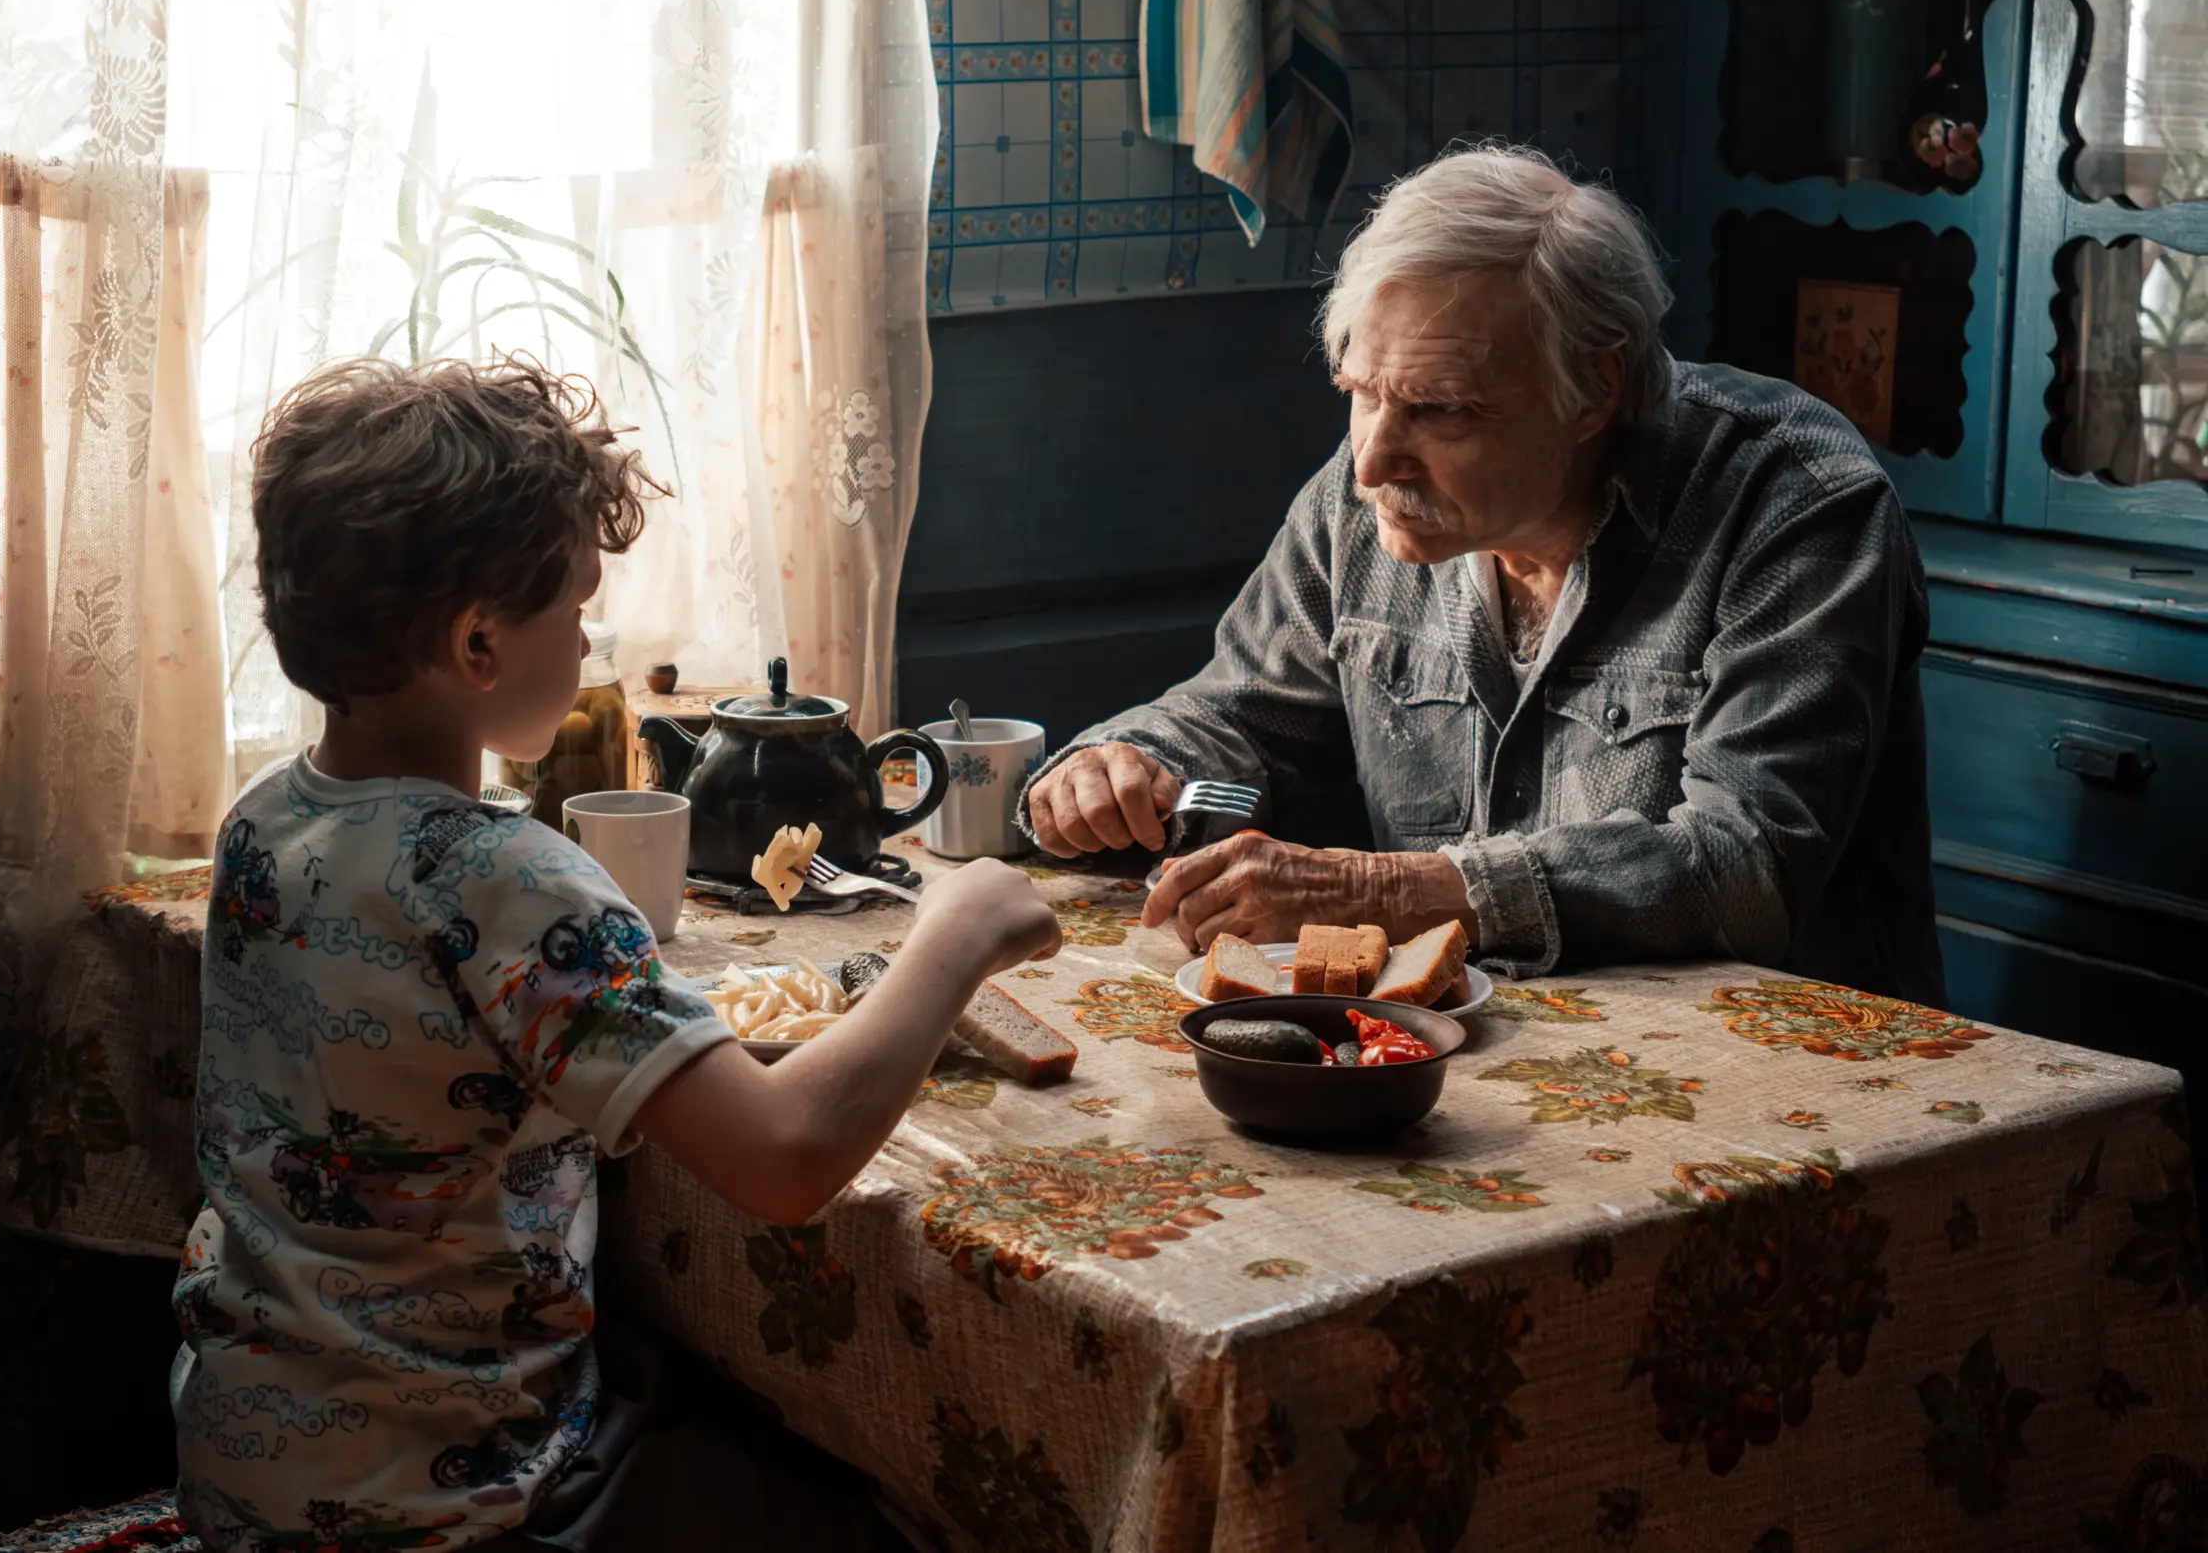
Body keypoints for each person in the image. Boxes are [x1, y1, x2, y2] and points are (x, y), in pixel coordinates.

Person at [172, 356, 1062, 1549]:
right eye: (576, 610)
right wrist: (953, 939)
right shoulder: (507, 876)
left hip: (246, 1473)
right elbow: (786, 1160)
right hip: (452, 1505)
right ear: (478, 644)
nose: (590, 641)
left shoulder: (261, 822)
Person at [1021, 144, 1941, 1004]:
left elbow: (1745, 866)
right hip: (1478, 1051)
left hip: (1790, 1070)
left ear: (1594, 390)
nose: (1373, 461)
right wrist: (1132, 763)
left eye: (1440, 409)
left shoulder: (1797, 502)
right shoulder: (1365, 497)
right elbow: (1238, 714)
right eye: (1360, 392)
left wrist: (1391, 892)